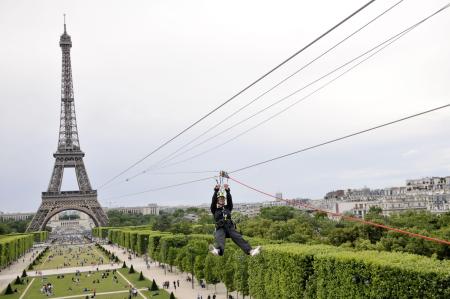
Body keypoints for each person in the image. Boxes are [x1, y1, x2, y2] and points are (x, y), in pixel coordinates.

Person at [209, 183, 260, 256]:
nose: (222, 200)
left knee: (238, 237)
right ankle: (218, 251)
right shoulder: (215, 209)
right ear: (218, 200)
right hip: (220, 228)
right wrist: (216, 190)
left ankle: (250, 251)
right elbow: (213, 201)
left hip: (229, 227)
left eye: (223, 199)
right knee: (219, 237)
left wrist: (227, 191)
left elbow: (230, 201)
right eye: (220, 199)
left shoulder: (228, 208)